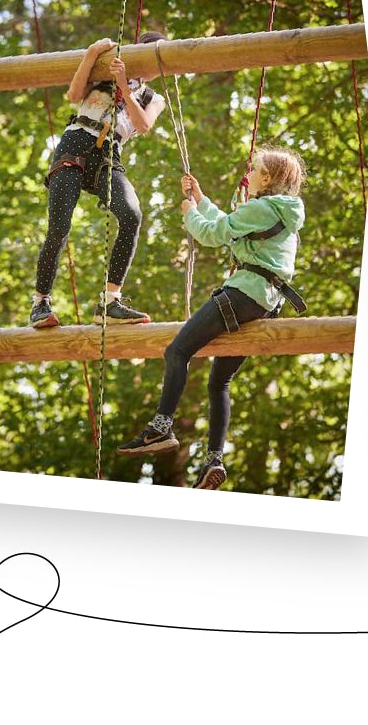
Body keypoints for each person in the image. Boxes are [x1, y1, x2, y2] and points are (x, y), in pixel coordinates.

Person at [117, 146, 307, 491]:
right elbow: (228, 225)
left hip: (244, 293)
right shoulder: (279, 211)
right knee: (219, 381)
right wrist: (202, 200)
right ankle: (213, 460)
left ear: (267, 178)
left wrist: (190, 213)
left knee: (177, 351)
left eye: (254, 169)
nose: (248, 174)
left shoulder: (261, 207)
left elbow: (212, 235)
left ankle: (161, 427)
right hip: (266, 300)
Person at [29, 34, 167, 329]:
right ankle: (41, 302)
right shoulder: (106, 68)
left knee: (131, 215)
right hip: (76, 143)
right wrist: (92, 54)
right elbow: (73, 94)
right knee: (59, 227)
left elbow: (142, 125)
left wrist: (124, 88)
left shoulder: (152, 98)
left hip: (108, 154)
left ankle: (110, 301)